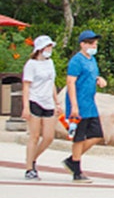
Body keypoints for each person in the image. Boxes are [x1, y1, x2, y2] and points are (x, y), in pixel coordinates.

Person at [63, 30, 107, 183]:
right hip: (79, 104)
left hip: (90, 104)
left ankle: (72, 160)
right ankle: (76, 170)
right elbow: (71, 82)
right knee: (79, 137)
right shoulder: (77, 61)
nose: (94, 46)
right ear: (82, 44)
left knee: (97, 135)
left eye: (95, 43)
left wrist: (98, 79)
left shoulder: (92, 60)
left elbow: (90, 76)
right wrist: (74, 105)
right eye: (90, 43)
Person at [22, 35, 59, 180]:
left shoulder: (50, 63)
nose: (49, 50)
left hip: (48, 101)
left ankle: (32, 158)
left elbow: (52, 83)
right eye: (47, 47)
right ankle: (29, 168)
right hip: (35, 100)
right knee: (34, 135)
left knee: (49, 137)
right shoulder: (31, 64)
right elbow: (26, 86)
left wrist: (57, 103)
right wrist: (26, 107)